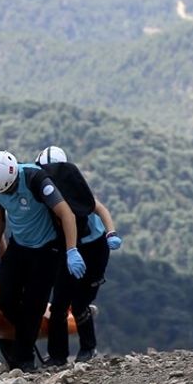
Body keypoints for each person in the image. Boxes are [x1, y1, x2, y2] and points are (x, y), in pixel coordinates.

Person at [0, 150, 84, 372]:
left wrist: (71, 250)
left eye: (9, 189)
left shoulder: (35, 179)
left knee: (33, 304)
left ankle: (23, 360)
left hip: (48, 248)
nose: (7, 193)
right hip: (19, 245)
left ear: (13, 177)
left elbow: (66, 213)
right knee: (5, 299)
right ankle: (28, 334)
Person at [36, 145, 123, 365]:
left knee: (80, 302)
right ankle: (57, 356)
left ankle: (88, 348)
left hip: (93, 248)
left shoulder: (77, 190)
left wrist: (111, 233)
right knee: (59, 304)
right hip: (69, 249)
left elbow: (99, 208)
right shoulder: (45, 193)